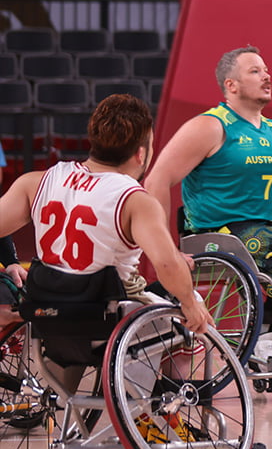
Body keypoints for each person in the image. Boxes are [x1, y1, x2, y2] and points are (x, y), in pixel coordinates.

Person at [143, 46, 272, 367]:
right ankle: (266, 339)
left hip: (261, 226)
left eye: (266, 70)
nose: (266, 75)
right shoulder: (210, 126)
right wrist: (166, 247)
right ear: (231, 85)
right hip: (214, 231)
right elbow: (156, 181)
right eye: (255, 71)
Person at [0, 93, 212, 337]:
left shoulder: (36, 182)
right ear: (141, 154)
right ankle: (172, 375)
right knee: (191, 308)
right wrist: (189, 303)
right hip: (106, 318)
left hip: (47, 313)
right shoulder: (136, 200)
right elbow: (166, 264)